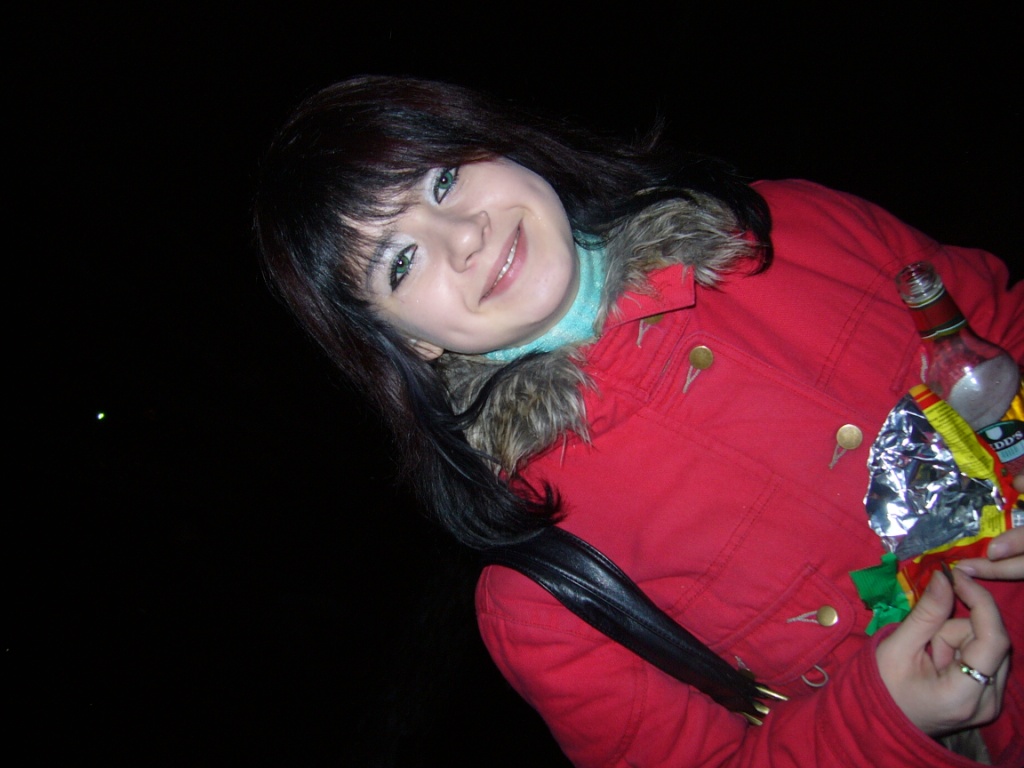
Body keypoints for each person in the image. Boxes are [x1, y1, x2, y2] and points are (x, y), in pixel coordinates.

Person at [254, 75, 1024, 766]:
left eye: (444, 179)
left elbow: (996, 320)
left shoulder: (787, 226)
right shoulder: (542, 601)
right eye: (400, 262)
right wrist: (880, 721)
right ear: (405, 342)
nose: (463, 238)